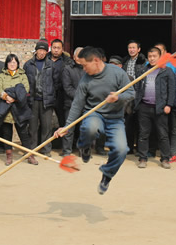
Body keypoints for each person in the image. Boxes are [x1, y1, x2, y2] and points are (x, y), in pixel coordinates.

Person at [55, 46, 135, 195]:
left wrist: (118, 97)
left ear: (96, 61)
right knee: (90, 127)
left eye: (85, 65)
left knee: (122, 149)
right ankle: (85, 148)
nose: (83, 70)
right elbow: (77, 104)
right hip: (94, 113)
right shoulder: (85, 80)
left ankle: (107, 175)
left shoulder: (117, 73)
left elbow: (131, 93)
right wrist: (67, 126)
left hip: (115, 118)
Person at [134, 46, 175, 169]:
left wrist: (169, 104)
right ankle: (142, 158)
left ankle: (165, 159)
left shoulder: (166, 71)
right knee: (143, 134)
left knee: (163, 134)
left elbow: (171, 89)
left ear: (160, 57)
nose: (152, 59)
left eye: (154, 56)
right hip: (144, 107)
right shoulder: (143, 70)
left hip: (160, 108)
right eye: (150, 56)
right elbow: (137, 87)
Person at [24, 40, 61, 158]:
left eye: (44, 51)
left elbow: (56, 83)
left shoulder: (51, 65)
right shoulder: (28, 64)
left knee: (47, 127)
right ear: (36, 51)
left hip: (47, 100)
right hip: (33, 100)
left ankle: (46, 149)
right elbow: (25, 82)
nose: (41, 53)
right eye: (39, 50)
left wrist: (51, 94)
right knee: (33, 127)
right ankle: (33, 150)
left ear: (46, 52)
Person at [0, 54, 33, 166]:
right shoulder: (2, 75)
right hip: (6, 108)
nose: (12, 64)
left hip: (19, 108)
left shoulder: (22, 75)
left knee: (23, 133)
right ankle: (9, 156)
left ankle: (30, 155)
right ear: (6, 64)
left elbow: (26, 88)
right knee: (7, 134)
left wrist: (15, 98)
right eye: (10, 62)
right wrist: (6, 97)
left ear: (17, 64)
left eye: (14, 62)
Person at [122, 39, 146, 156]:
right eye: (129, 48)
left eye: (133, 47)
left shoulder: (144, 62)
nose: (131, 50)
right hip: (128, 97)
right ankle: (129, 147)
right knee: (129, 124)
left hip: (140, 95)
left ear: (139, 49)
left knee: (141, 124)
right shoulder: (125, 61)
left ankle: (141, 150)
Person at [61, 47, 84, 156]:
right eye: (79, 55)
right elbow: (67, 87)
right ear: (74, 57)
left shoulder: (88, 69)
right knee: (69, 129)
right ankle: (67, 151)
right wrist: (80, 97)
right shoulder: (67, 69)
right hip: (71, 104)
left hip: (86, 105)